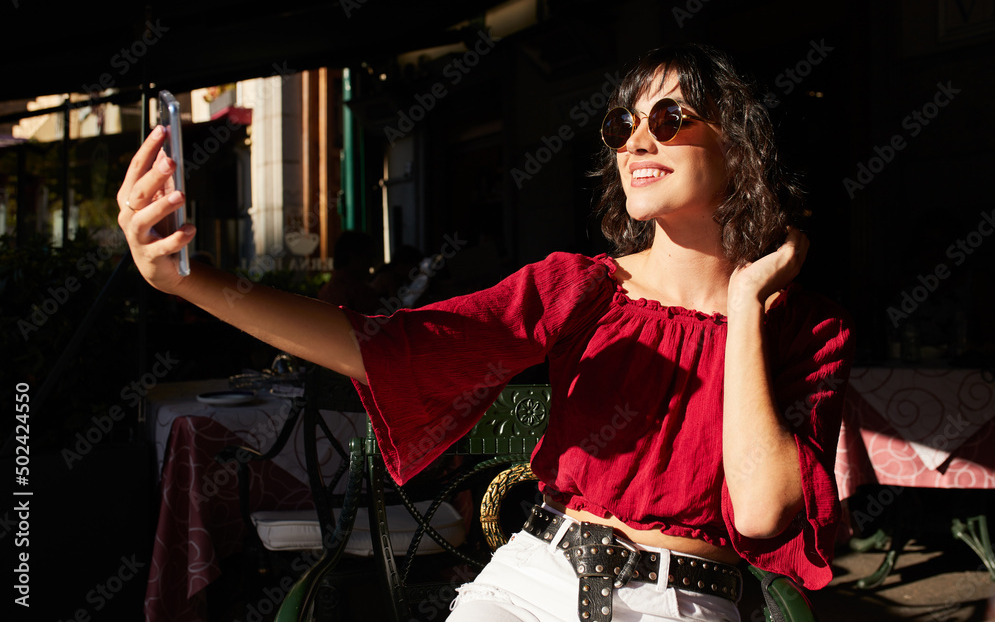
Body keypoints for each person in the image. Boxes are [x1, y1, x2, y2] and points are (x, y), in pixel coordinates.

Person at [117, 43, 853, 622]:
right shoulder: (580, 287)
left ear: (740, 147)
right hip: (536, 581)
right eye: (619, 124)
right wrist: (189, 280)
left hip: (684, 600)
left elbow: (760, 510)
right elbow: (391, 346)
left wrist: (749, 301)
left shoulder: (805, 326)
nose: (635, 140)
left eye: (668, 119)